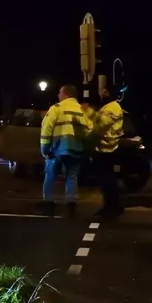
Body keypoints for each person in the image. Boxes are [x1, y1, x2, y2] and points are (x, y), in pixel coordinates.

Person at [39, 84, 93, 218]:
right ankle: (71, 207)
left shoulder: (56, 108)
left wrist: (45, 149)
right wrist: (86, 150)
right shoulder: (83, 110)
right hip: (76, 149)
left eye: (60, 93)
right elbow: (90, 131)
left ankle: (49, 205)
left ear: (67, 94)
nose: (58, 96)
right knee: (71, 176)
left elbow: (46, 129)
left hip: (56, 149)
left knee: (50, 175)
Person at [85, 84, 125, 219]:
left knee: (107, 180)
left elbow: (102, 124)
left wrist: (88, 112)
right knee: (106, 180)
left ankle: (113, 207)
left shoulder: (112, 108)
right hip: (104, 148)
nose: (101, 93)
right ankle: (111, 206)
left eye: (103, 90)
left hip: (107, 149)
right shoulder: (109, 107)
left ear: (108, 93)